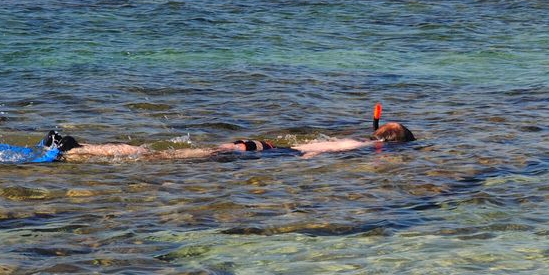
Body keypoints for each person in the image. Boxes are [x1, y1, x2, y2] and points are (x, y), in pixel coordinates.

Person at [40, 120, 415, 161]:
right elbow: (314, 151)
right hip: (273, 153)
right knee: (161, 157)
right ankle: (76, 149)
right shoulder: (362, 146)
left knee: (162, 153)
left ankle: (79, 148)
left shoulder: (357, 140)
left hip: (266, 147)